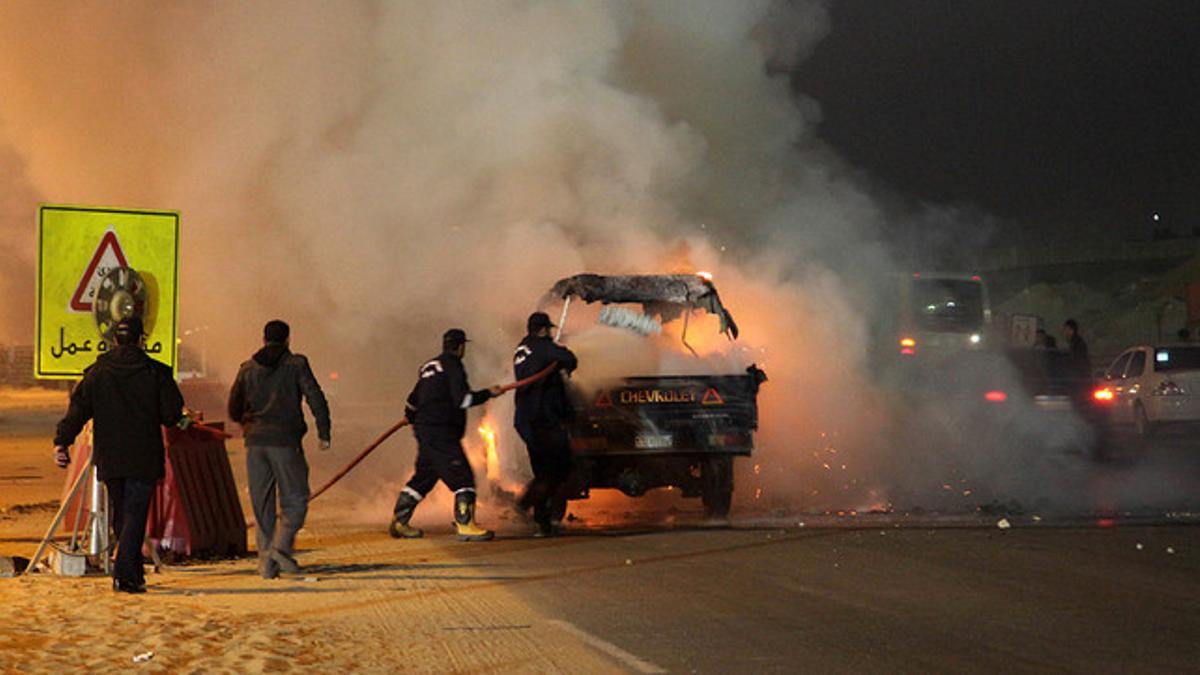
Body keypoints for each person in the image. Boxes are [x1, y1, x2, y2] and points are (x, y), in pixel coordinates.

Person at [53, 316, 185, 594]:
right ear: (141, 339)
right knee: (135, 514)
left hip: (110, 456)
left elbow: (77, 411)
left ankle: (133, 574)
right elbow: (171, 414)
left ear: (114, 340)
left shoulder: (97, 373)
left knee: (121, 515)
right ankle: (124, 576)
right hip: (143, 455)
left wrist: (61, 442)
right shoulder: (156, 372)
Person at [228, 320, 331, 579]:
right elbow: (315, 396)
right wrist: (323, 431)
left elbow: (233, 407)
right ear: (287, 340)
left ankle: (266, 563)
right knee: (296, 499)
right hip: (285, 442)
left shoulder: (247, 369)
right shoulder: (296, 364)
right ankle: (281, 549)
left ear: (263, 339)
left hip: (255, 444)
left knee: (262, 505)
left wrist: (250, 425)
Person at [389, 329, 504, 541]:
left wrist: (410, 416)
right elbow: (463, 400)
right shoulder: (453, 366)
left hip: (425, 431)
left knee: (423, 478)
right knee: (463, 478)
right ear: (461, 347)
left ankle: (399, 522)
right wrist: (489, 393)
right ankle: (466, 525)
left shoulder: (428, 367)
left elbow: (412, 400)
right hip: (441, 432)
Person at [512, 312, 578, 537]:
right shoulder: (542, 347)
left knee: (544, 470)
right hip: (542, 419)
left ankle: (543, 523)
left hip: (527, 419)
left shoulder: (523, 348)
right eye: (547, 330)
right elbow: (570, 359)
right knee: (560, 467)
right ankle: (525, 504)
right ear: (542, 330)